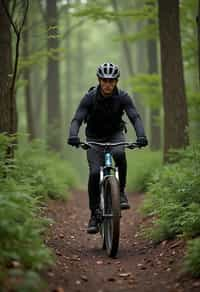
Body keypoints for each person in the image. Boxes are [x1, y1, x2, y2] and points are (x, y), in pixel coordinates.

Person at [68, 62, 148, 234]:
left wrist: (141, 135)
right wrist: (73, 135)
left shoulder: (123, 97)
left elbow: (135, 116)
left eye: (111, 81)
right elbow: (77, 118)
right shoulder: (90, 97)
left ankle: (120, 192)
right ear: (99, 80)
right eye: (104, 80)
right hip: (94, 138)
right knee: (95, 173)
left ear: (116, 82)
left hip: (115, 135)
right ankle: (94, 213)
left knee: (119, 153)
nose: (107, 84)